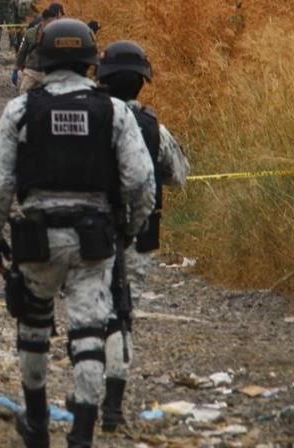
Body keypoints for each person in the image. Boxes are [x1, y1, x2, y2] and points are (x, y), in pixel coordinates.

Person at [0, 18, 155, 448]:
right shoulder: (113, 111)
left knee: (33, 329)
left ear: (44, 57)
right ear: (90, 61)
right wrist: (128, 231)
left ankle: (36, 424)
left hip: (37, 237)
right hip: (95, 239)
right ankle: (81, 436)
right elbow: (141, 183)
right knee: (89, 334)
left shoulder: (21, 109)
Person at [96, 40, 190, 433]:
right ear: (142, 82)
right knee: (122, 314)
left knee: (90, 313)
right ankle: (113, 406)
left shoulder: (90, 116)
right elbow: (178, 174)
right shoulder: (153, 126)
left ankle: (84, 392)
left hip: (92, 231)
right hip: (139, 235)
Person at [13, 2, 65, 92]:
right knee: (23, 92)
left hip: (49, 72)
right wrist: (16, 68)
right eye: (60, 14)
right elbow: (22, 51)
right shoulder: (31, 32)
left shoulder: (58, 33)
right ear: (44, 21)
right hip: (32, 70)